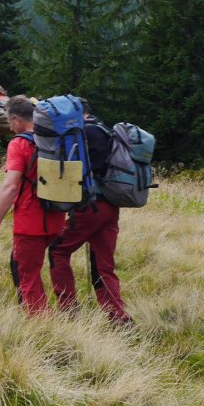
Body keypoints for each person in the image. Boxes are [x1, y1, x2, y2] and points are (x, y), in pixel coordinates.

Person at [47, 98, 133, 324]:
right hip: (111, 206)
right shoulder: (106, 131)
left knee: (58, 251)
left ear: (77, 113)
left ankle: (69, 310)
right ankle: (118, 317)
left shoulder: (83, 133)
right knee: (103, 265)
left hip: (90, 207)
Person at [0, 95, 66, 314]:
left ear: (17, 119)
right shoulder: (54, 139)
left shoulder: (19, 144)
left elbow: (10, 187)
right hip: (57, 217)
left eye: (9, 122)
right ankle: (66, 313)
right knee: (39, 269)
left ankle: (42, 331)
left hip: (30, 222)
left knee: (28, 278)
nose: (9, 127)